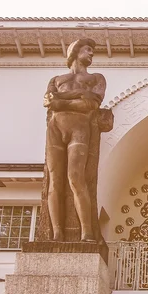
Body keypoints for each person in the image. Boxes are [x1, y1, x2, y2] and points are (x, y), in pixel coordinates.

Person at [43, 38, 106, 242]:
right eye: (88, 49)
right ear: (75, 52)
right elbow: (48, 101)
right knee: (55, 181)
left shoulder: (96, 78)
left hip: (79, 127)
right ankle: (56, 231)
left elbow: (90, 105)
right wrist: (79, 94)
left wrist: (61, 101)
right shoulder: (56, 79)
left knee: (75, 178)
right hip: (55, 128)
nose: (91, 54)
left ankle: (86, 231)